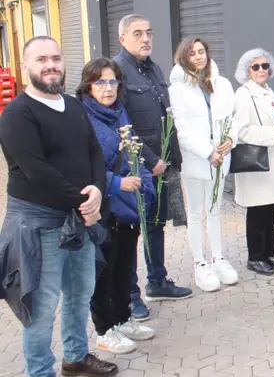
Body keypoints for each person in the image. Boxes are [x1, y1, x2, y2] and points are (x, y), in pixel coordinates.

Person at [0, 36, 118, 377]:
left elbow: (94, 150)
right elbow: (36, 171)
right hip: (39, 224)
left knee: (81, 292)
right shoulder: (16, 114)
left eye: (55, 58)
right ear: (26, 67)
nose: (50, 65)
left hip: (78, 217)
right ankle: (40, 372)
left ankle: (76, 359)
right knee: (41, 305)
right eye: (41, 59)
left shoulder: (72, 104)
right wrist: (86, 203)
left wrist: (97, 189)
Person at [77, 58, 157, 354]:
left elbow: (135, 154)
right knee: (103, 270)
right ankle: (104, 330)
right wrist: (116, 183)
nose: (108, 88)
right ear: (89, 85)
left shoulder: (120, 111)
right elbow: (81, 165)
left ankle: (123, 319)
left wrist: (145, 189)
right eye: (100, 82)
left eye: (112, 82)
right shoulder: (81, 116)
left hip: (128, 207)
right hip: (103, 206)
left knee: (125, 266)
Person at [114, 14, 191, 320]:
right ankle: (130, 295)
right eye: (137, 34)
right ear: (122, 39)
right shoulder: (117, 70)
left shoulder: (154, 68)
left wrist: (171, 158)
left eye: (148, 32)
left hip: (164, 164)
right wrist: (149, 160)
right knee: (133, 231)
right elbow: (122, 124)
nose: (145, 38)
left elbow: (165, 116)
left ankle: (157, 281)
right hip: (138, 167)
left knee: (156, 226)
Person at [168, 38, 239, 293]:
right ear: (184, 57)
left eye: (202, 52)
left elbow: (233, 117)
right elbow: (181, 130)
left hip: (221, 157)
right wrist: (207, 151)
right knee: (196, 213)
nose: (198, 57)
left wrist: (231, 138)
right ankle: (200, 263)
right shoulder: (178, 89)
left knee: (215, 211)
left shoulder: (222, 84)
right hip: (197, 160)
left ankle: (218, 258)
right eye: (192, 53)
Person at [232, 48, 274, 276]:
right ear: (247, 70)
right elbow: (242, 131)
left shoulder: (268, 92)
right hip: (257, 163)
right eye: (255, 66)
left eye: (265, 66)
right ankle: (255, 257)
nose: (261, 70)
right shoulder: (244, 95)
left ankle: (268, 253)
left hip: (273, 161)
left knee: (270, 211)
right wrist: (273, 134)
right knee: (257, 212)